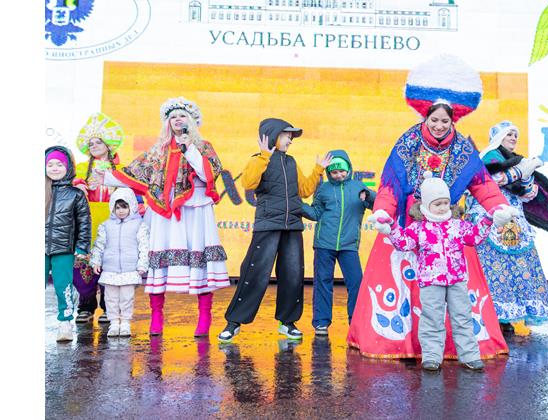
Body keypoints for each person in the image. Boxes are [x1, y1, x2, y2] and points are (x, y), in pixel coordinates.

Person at [347, 55, 514, 360]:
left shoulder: (463, 150)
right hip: (408, 227)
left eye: (444, 121)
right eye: (434, 120)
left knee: (457, 297)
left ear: (453, 121)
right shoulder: (407, 143)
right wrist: (383, 212)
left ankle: (456, 349)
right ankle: (402, 343)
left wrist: (498, 207)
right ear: (425, 118)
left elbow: (483, 184)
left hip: (448, 230)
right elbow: (390, 184)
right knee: (401, 284)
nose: (439, 125)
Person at [94, 97, 230, 337]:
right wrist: (104, 176)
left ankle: (204, 317)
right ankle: (156, 316)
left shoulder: (203, 146)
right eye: (172, 116)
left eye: (182, 116)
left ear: (192, 121)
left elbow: (207, 173)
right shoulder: (158, 151)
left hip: (196, 208)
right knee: (158, 263)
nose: (177, 119)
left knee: (199, 261)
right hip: (163, 210)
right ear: (167, 122)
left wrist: (189, 148)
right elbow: (133, 174)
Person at [218, 118, 331, 342]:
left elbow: (304, 190)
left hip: (292, 226)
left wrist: (318, 170)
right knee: (255, 273)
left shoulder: (291, 162)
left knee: (293, 275)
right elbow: (249, 183)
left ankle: (287, 323)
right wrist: (264, 156)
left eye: (291, 136)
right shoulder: (258, 160)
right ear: (272, 136)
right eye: (287, 135)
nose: (290, 140)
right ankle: (234, 322)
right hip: (268, 224)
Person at [375, 172, 494, 371]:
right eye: (437, 204)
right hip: (431, 282)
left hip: (457, 280)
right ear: (426, 205)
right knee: (432, 318)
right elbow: (403, 243)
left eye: (445, 203)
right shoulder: (419, 228)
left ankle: (470, 356)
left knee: (463, 317)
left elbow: (475, 237)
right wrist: (392, 228)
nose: (442, 208)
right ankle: (431, 357)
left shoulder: (458, 225)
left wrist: (489, 220)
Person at [465, 121, 548, 335]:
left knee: (517, 269)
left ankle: (508, 317)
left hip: (514, 221)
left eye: (515, 135)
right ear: (498, 137)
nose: (513, 138)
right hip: (490, 220)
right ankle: (490, 315)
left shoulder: (517, 160)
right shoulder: (488, 157)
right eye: (509, 134)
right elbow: (493, 179)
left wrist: (526, 175)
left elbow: (529, 193)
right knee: (493, 268)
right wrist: (522, 170)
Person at [301, 151, 376, 336]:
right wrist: (298, 205)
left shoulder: (359, 187)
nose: (339, 175)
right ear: (329, 173)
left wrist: (369, 196)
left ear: (348, 168)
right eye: (334, 172)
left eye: (342, 171)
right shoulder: (323, 189)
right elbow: (315, 213)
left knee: (356, 283)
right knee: (323, 282)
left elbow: (376, 205)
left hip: (349, 245)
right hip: (324, 244)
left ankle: (355, 322)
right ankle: (321, 322)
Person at [72, 112, 126, 325]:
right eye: (91, 143)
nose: (94, 146)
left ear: (109, 145)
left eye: (98, 142)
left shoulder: (120, 169)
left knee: (109, 264)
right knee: (84, 265)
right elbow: (72, 186)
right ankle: (85, 307)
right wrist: (78, 185)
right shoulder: (80, 169)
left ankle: (107, 307)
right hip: (88, 221)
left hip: (113, 222)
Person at [45, 146, 91, 342]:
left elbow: (84, 222)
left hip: (64, 248)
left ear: (68, 166)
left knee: (62, 285)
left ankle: (65, 323)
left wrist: (82, 247)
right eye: (50, 164)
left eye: (59, 164)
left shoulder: (75, 194)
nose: (54, 168)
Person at [89, 188, 150, 338]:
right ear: (112, 208)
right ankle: (114, 323)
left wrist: (142, 264)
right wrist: (96, 261)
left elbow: (144, 246)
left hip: (130, 269)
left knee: (126, 298)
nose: (121, 211)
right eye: (117, 207)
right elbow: (99, 245)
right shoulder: (106, 226)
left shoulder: (139, 225)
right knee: (111, 298)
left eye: (124, 207)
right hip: (110, 270)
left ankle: (125, 323)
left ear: (131, 206)